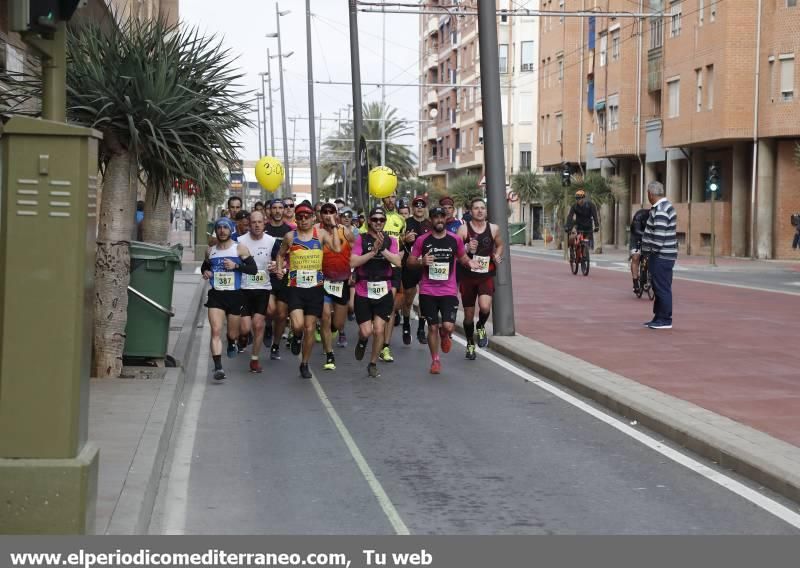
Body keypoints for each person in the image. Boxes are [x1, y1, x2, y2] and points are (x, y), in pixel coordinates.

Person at [409, 206, 479, 374]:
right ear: (431, 220)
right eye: (435, 217)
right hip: (428, 291)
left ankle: (445, 333)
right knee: (431, 327)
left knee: (448, 326)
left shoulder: (454, 240)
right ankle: (435, 360)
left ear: (445, 219)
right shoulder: (422, 240)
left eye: (442, 217)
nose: (439, 219)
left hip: (448, 290)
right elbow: (409, 262)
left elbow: (462, 257)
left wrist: (470, 263)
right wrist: (421, 261)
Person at [276, 201, 341, 379]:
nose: (303, 220)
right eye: (300, 217)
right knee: (298, 326)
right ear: (296, 219)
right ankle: (296, 337)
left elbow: (336, 248)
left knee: (310, 328)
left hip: (315, 289)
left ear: (313, 218)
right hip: (296, 288)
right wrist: (280, 269)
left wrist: (334, 226)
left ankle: (304, 363)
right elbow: (281, 254)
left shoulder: (319, 235)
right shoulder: (290, 237)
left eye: (306, 217)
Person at [201, 218, 258, 381]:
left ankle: (232, 341)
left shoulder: (239, 249)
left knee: (232, 333)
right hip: (216, 295)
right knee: (216, 330)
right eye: (219, 228)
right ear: (216, 231)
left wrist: (236, 266)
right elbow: (206, 266)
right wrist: (206, 272)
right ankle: (218, 367)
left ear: (231, 230)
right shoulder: (210, 250)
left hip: (235, 295)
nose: (222, 230)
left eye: (225, 227)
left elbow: (253, 270)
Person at [350, 206, 403, 377]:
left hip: (383, 290)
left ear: (384, 222)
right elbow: (353, 262)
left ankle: (372, 363)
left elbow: (397, 261)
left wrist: (381, 249)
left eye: (381, 220)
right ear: (369, 222)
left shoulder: (391, 241)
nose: (378, 222)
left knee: (379, 329)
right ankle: (362, 340)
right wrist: (372, 251)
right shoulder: (361, 239)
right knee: (367, 331)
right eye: (375, 220)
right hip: (363, 290)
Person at [456, 197, 504, 360]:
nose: (480, 211)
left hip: (485, 274)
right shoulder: (463, 229)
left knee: (484, 307)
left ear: (486, 211)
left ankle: (481, 325)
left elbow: (500, 245)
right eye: (476, 208)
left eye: (482, 208)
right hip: (468, 276)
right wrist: (467, 248)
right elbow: (456, 251)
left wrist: (497, 256)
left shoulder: (493, 228)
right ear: (471, 211)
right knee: (468, 315)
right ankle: (470, 343)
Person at [362, 193, 406, 362]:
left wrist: (403, 244)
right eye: (387, 197)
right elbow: (361, 241)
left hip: (393, 266)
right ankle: (373, 331)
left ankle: (385, 346)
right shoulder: (371, 219)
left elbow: (401, 241)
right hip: (373, 268)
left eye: (394, 197)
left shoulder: (400, 219)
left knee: (391, 306)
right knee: (377, 306)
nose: (391, 200)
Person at [236, 211, 277, 373]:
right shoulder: (239, 241)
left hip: (262, 288)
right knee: (245, 328)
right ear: (249, 224)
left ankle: (254, 360)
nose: (257, 225)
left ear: (264, 223)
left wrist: (276, 265)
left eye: (260, 222)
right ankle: (244, 337)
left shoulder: (272, 241)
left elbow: (280, 259)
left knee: (258, 325)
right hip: (244, 289)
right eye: (254, 222)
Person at [319, 202, 355, 370]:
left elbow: (355, 252)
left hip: (342, 280)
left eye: (331, 211)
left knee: (338, 323)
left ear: (337, 214)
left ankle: (333, 330)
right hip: (322, 280)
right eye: (325, 212)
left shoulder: (345, 231)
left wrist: (353, 273)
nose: (328, 215)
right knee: (325, 316)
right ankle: (329, 354)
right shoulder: (315, 232)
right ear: (320, 215)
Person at [641, 181, 677, 330]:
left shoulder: (661, 210)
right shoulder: (664, 207)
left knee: (662, 287)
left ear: (650, 194)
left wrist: (651, 252)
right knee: (658, 287)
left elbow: (659, 236)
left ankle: (665, 319)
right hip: (663, 255)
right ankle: (659, 316)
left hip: (661, 256)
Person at [400, 195, 432, 345]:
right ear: (413, 208)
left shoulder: (430, 224)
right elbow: (397, 244)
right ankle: (406, 325)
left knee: (425, 300)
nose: (419, 207)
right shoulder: (406, 223)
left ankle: (420, 329)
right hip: (410, 265)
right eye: (416, 205)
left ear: (425, 208)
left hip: (426, 266)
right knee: (408, 299)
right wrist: (404, 240)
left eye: (422, 205)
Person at [265, 199, 293, 360]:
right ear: (270, 210)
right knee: (270, 310)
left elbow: (295, 253)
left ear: (284, 211)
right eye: (274, 208)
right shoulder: (264, 229)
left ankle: (275, 345)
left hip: (284, 275)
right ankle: (268, 325)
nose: (277, 211)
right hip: (267, 275)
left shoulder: (290, 231)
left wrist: (283, 265)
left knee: (282, 315)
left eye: (280, 208)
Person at [629, 207, 651, 294]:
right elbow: (636, 230)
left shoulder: (659, 218)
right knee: (635, 257)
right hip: (636, 237)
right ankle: (635, 283)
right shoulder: (640, 215)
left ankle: (649, 277)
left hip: (649, 238)